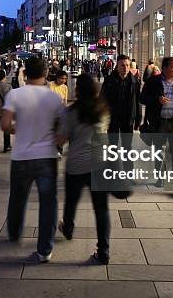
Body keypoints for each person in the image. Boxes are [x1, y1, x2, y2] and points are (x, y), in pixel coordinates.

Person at [1, 57, 64, 263]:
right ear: (46, 73)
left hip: (21, 156)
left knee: (18, 197)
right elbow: (62, 129)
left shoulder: (15, 94)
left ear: (25, 73)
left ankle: (14, 232)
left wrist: (16, 128)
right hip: (47, 157)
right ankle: (45, 250)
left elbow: (5, 124)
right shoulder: (54, 98)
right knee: (48, 203)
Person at [57, 74, 111, 265]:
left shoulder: (70, 112)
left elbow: (61, 139)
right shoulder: (103, 111)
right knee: (102, 209)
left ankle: (68, 229)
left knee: (71, 202)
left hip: (76, 165)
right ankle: (103, 251)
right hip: (100, 164)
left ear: (77, 90)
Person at [140, 57, 173, 195]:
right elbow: (142, 98)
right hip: (159, 122)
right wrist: (157, 99)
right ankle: (160, 177)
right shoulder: (153, 82)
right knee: (159, 151)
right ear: (164, 68)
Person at [100, 55, 142, 171]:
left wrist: (138, 119)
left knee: (127, 147)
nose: (125, 68)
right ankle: (113, 171)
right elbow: (102, 99)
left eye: (127, 65)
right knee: (112, 146)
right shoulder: (109, 80)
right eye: (122, 65)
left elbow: (138, 101)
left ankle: (128, 172)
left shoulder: (134, 82)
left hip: (128, 119)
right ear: (117, 66)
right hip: (112, 119)